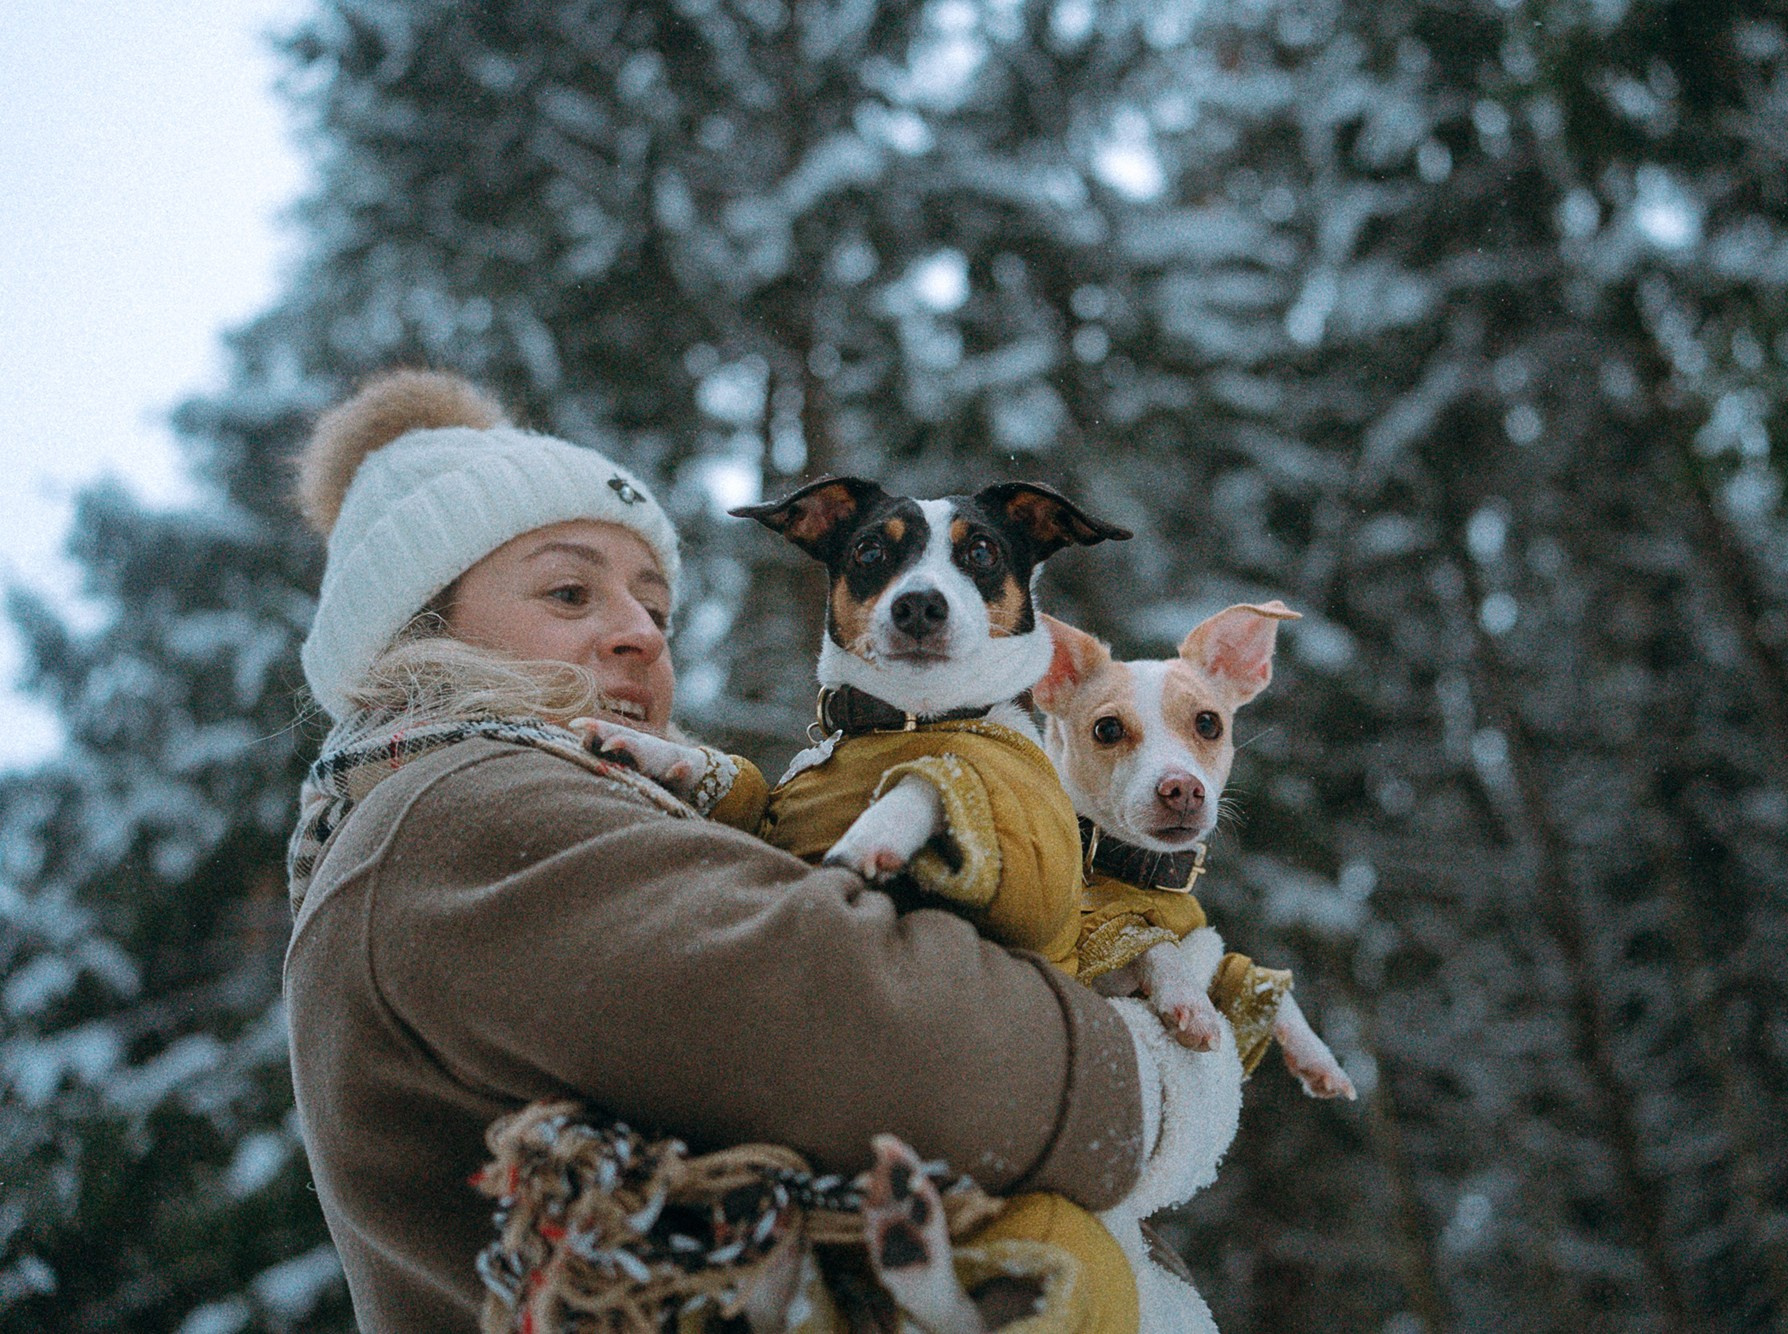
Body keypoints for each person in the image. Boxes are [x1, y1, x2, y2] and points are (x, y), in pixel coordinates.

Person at [283, 371, 1236, 1334]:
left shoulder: (509, 813)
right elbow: (874, 1027)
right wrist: (1158, 1081)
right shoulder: (462, 810)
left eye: (657, 609)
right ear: (419, 631)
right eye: (570, 592)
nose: (639, 637)